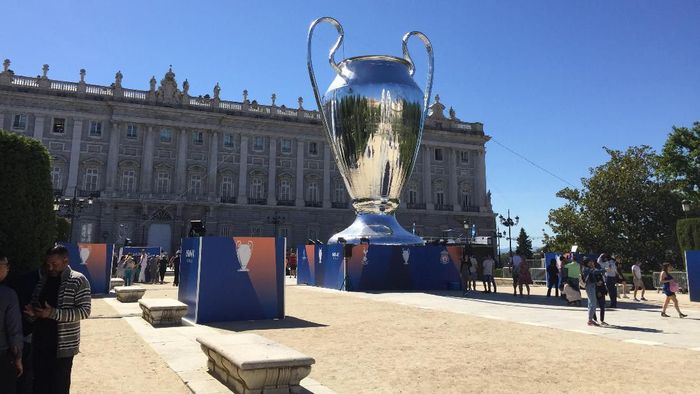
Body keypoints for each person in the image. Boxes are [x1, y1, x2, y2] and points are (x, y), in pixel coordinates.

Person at [24, 245, 91, 393]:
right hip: (40, 343)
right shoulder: (43, 279)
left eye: (54, 264)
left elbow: (84, 311)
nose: (50, 267)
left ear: (65, 260)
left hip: (62, 347)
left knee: (58, 386)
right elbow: (37, 305)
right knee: (39, 384)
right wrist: (33, 314)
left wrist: (52, 313)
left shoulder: (79, 280)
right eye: (47, 264)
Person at [0, 253, 23, 392]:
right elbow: (14, 330)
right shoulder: (8, 295)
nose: (8, 269)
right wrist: (18, 358)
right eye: (5, 265)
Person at [582, 258, 606, 326]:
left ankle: (590, 319)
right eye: (590, 262)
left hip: (591, 286)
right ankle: (590, 320)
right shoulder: (586, 269)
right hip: (590, 287)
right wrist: (605, 270)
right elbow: (595, 272)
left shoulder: (587, 269)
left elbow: (592, 277)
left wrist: (596, 283)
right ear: (587, 263)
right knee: (593, 303)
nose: (592, 263)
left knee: (590, 304)